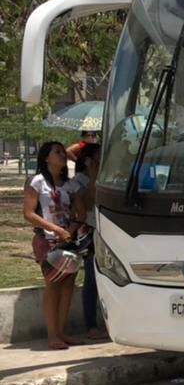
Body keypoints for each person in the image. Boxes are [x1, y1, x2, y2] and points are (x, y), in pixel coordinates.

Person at [23, 141, 81, 350]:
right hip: (47, 239)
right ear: (46, 157)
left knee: (68, 286)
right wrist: (55, 230)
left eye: (63, 152)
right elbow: (29, 213)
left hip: (68, 239)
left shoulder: (70, 184)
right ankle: (52, 334)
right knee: (53, 284)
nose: (62, 156)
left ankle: (62, 331)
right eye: (57, 152)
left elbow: (79, 212)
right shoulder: (37, 182)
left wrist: (72, 229)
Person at [69, 143, 107, 341]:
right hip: (90, 232)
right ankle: (91, 324)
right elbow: (87, 204)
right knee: (91, 279)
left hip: (105, 229)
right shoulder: (80, 180)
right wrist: (93, 176)